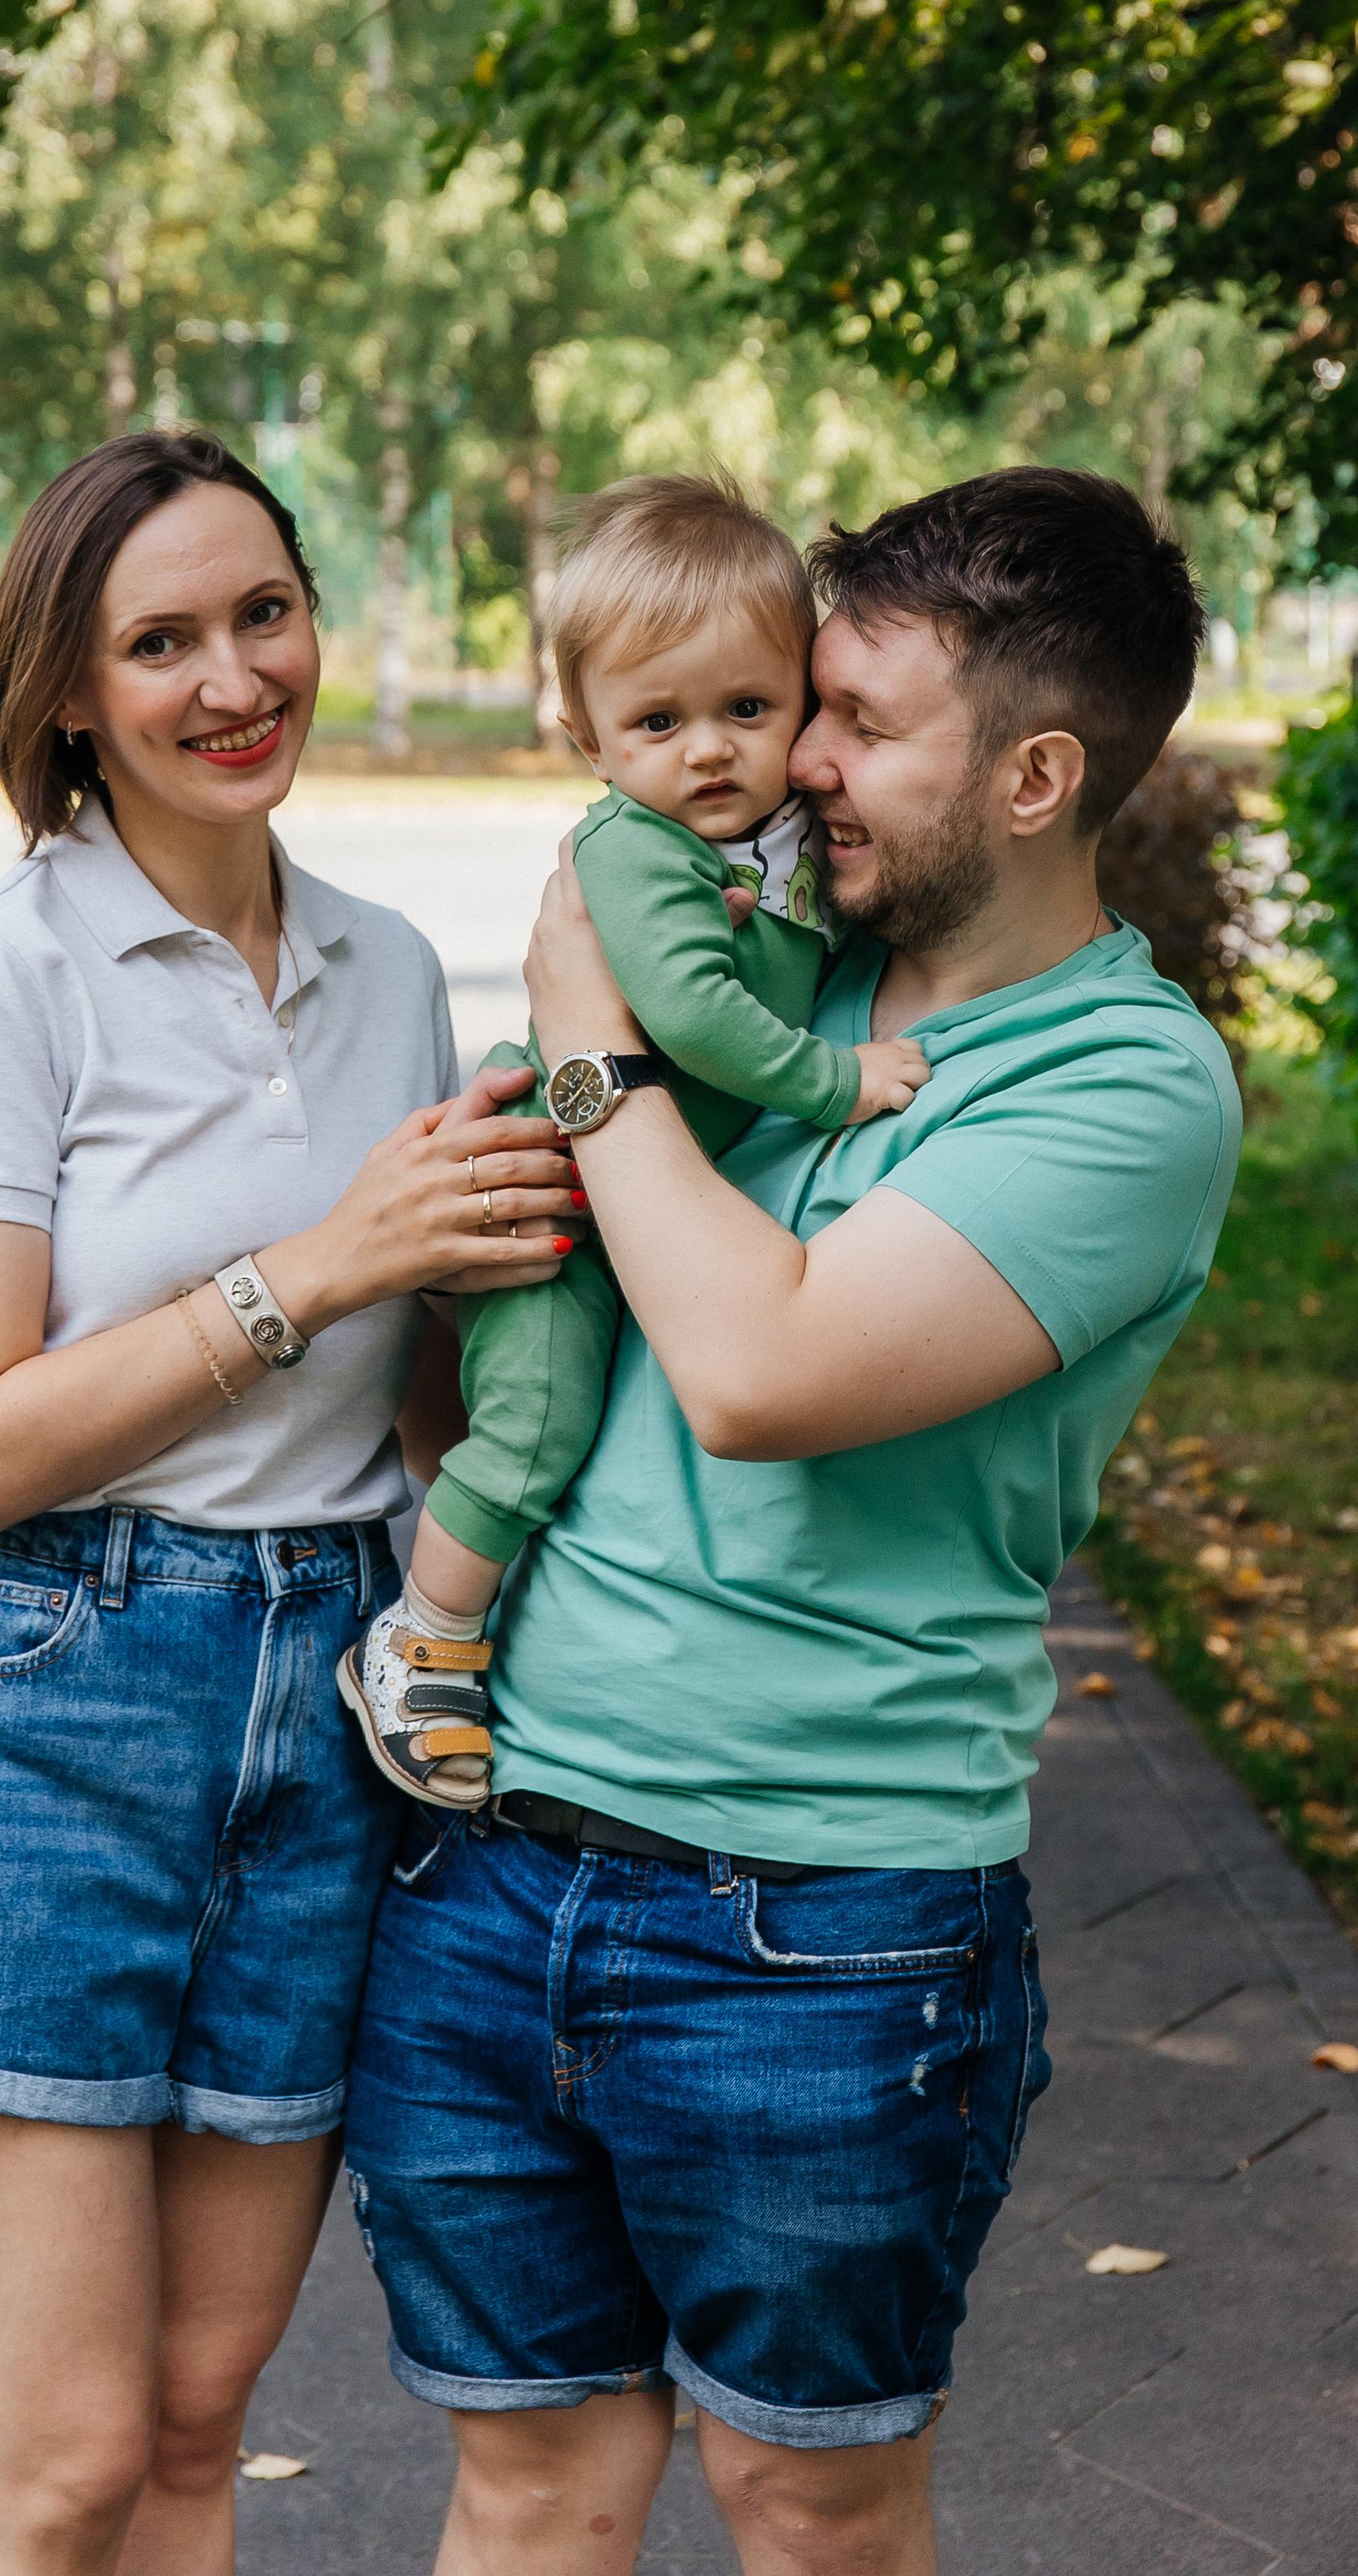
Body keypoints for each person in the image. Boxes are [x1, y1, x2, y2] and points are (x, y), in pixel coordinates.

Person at [343, 464, 1244, 2576]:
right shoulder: (769, 965)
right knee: (529, 2486)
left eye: (854, 724)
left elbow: (759, 1374)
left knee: (805, 2503)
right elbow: (459, 1395)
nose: (792, 761)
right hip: (492, 1855)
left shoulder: (1120, 1087)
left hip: (818, 1924)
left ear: (1032, 775)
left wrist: (586, 1055)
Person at [0, 428, 579, 2576]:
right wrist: (320, 1263)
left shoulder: (388, 970)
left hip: (317, 1719)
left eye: (264, 614)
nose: (235, 679)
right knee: (52, 2466)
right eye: (161, 643)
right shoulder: (8, 980)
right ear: (71, 695)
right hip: (40, 1708)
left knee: (189, 2423)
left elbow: (429, 1400)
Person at [341, 472, 929, 1811]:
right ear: (590, 741)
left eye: (747, 710)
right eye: (658, 721)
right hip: (552, 1204)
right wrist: (836, 1084)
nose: (708, 751)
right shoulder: (639, 853)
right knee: (537, 1427)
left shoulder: (784, 843)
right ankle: (421, 1641)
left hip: (631, 1191)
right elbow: (695, 1018)